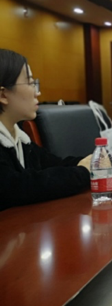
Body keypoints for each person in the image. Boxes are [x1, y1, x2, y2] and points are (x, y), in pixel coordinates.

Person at [0, 49, 91, 209]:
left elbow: (53, 164)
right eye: (30, 83)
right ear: (3, 95)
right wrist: (83, 172)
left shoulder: (18, 137)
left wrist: (92, 161)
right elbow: (19, 187)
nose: (38, 92)